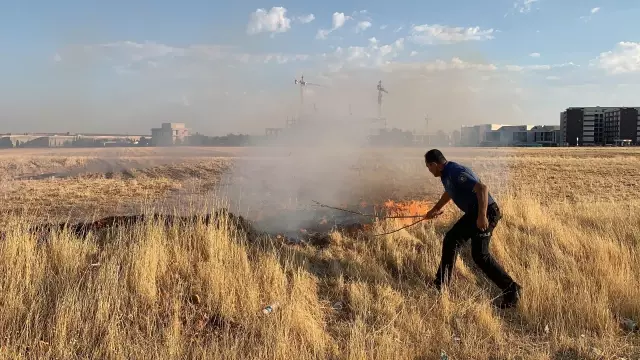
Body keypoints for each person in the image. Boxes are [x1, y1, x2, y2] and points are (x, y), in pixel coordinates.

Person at [423, 149, 521, 309]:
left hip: (486, 211)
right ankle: (441, 284)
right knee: (451, 240)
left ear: (434, 164)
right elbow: (449, 192)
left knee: (480, 255)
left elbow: (482, 188)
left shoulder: (455, 172)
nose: (429, 171)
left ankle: (512, 290)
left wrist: (482, 216)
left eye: (429, 167)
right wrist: (435, 209)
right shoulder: (446, 175)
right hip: (475, 212)